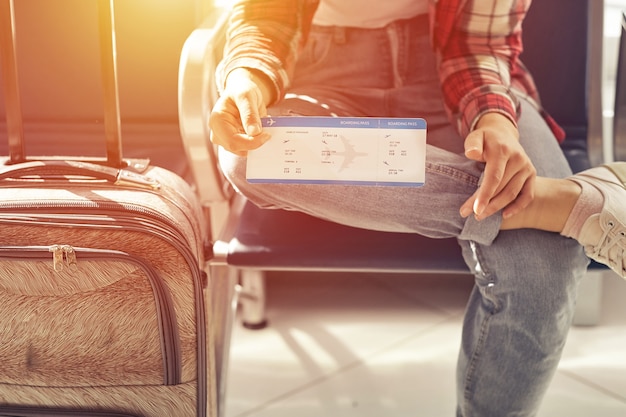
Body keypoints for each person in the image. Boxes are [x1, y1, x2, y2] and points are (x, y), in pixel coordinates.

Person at [208, 0, 626, 415]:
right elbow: (266, 12)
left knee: (542, 267)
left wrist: (493, 121)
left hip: (453, 69)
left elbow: (477, 41)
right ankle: (563, 204)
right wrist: (250, 78)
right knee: (250, 159)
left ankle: (552, 208)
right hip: (319, 73)